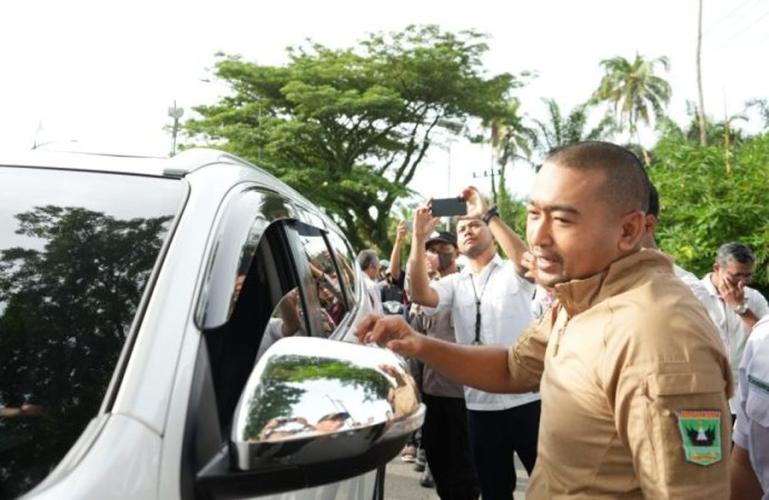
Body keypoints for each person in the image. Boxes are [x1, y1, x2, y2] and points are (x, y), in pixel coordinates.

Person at [357, 141, 732, 498]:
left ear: (629, 230)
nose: (538, 235)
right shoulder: (583, 297)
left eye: (563, 220)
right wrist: (419, 344)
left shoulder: (658, 333)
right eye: (534, 213)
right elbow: (512, 367)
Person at [406, 186, 539, 499]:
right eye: (461, 227)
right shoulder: (454, 283)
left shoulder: (511, 271)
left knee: (556, 486)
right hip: (480, 407)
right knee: (493, 491)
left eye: (474, 225)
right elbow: (420, 294)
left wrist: (487, 214)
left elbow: (526, 262)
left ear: (490, 233)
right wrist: (418, 237)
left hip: (529, 400)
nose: (467, 230)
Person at [409, 230, 479, 499]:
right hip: (432, 391)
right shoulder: (430, 290)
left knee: (464, 470)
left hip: (461, 394)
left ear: (456, 251)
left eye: (442, 248)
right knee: (439, 464)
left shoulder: (466, 286)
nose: (435, 253)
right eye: (431, 248)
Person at [701, 242, 769, 418]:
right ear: (717, 268)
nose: (741, 283)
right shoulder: (694, 295)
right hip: (705, 397)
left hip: (744, 401)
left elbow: (766, 341)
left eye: (747, 276)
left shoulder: (754, 298)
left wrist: (741, 309)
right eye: (736, 276)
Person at [730, 315, 769, 499]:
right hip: (728, 402)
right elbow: (744, 464)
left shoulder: (755, 301)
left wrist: (742, 309)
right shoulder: (763, 338)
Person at [357, 249, 384, 314]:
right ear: (371, 266)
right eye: (378, 266)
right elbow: (378, 314)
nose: (378, 270)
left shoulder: (356, 283)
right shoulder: (371, 286)